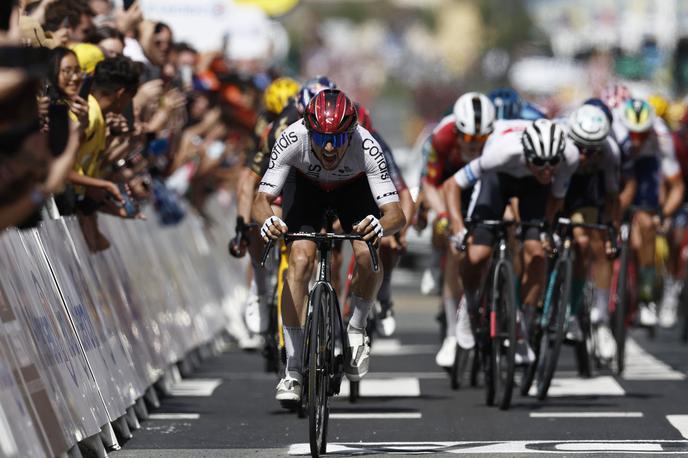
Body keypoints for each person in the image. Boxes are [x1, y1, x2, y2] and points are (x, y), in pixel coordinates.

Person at [253, 89, 406, 402]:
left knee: (367, 252)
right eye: (320, 138)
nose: (327, 147)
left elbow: (397, 215)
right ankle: (293, 368)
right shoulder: (292, 137)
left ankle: (357, 329)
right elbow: (260, 201)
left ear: (351, 134)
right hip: (306, 189)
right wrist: (267, 220)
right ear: (308, 130)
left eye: (337, 140)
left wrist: (379, 225)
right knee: (299, 260)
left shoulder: (367, 145)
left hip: (353, 189)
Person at [448, 118, 580, 364]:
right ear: (527, 154)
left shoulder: (568, 156)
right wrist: (457, 227)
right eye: (540, 162)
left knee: (537, 253)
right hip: (498, 179)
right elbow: (453, 185)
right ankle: (468, 305)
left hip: (534, 189)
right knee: (478, 254)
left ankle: (524, 324)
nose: (548, 170)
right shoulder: (502, 153)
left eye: (553, 163)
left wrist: (544, 231)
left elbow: (556, 199)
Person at [418, 92, 496, 368]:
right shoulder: (442, 137)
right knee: (453, 241)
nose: (474, 145)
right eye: (469, 139)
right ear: (458, 132)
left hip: (479, 185)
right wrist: (442, 216)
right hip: (445, 183)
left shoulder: (496, 141)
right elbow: (429, 183)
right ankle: (452, 333)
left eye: (481, 140)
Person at [618, 98, 684, 327]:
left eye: (642, 134)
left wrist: (662, 215)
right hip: (617, 163)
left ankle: (646, 296)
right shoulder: (616, 131)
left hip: (647, 167)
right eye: (632, 134)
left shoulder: (660, 136)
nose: (636, 140)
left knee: (646, 225)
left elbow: (677, 186)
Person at [562, 104, 621, 360]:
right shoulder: (560, 141)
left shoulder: (610, 153)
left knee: (591, 243)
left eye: (592, 150)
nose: (585, 155)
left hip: (584, 190)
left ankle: (597, 317)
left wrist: (611, 232)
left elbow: (611, 197)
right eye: (581, 148)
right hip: (555, 182)